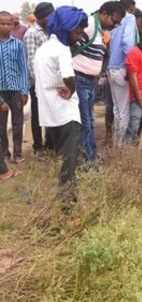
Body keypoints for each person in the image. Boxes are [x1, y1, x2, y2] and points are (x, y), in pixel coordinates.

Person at [34, 6, 88, 211]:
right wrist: (71, 89)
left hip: (49, 114)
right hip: (66, 115)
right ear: (66, 29)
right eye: (77, 31)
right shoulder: (62, 50)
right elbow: (68, 75)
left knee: (63, 160)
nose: (80, 36)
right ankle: (68, 207)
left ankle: (65, 202)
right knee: (69, 164)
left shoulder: (43, 49)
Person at [72, 1, 124, 167]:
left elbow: (98, 55)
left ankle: (91, 154)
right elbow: (71, 48)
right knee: (85, 122)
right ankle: (87, 160)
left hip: (89, 81)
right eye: (113, 21)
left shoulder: (102, 32)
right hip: (79, 79)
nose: (115, 25)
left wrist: (97, 73)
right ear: (103, 14)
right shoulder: (88, 26)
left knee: (90, 121)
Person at [23, 2, 55, 161]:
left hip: (50, 82)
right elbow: (31, 63)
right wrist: (40, 84)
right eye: (50, 15)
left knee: (50, 113)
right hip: (38, 84)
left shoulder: (49, 31)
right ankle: (37, 147)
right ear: (43, 17)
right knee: (37, 115)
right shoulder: (32, 34)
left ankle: (49, 143)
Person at [107, 0, 137, 146]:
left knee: (117, 108)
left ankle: (115, 143)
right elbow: (127, 42)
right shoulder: (129, 18)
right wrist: (130, 65)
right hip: (122, 67)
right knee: (124, 111)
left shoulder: (115, 22)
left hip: (111, 68)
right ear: (130, 7)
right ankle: (120, 146)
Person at [0, 11, 28, 164]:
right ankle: (5, 152)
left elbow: (23, 68)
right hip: (1, 90)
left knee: (17, 122)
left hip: (16, 89)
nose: (5, 26)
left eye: (7, 23)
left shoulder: (18, 44)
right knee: (1, 124)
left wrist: (24, 91)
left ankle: (18, 153)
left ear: (12, 24)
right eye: (1, 23)